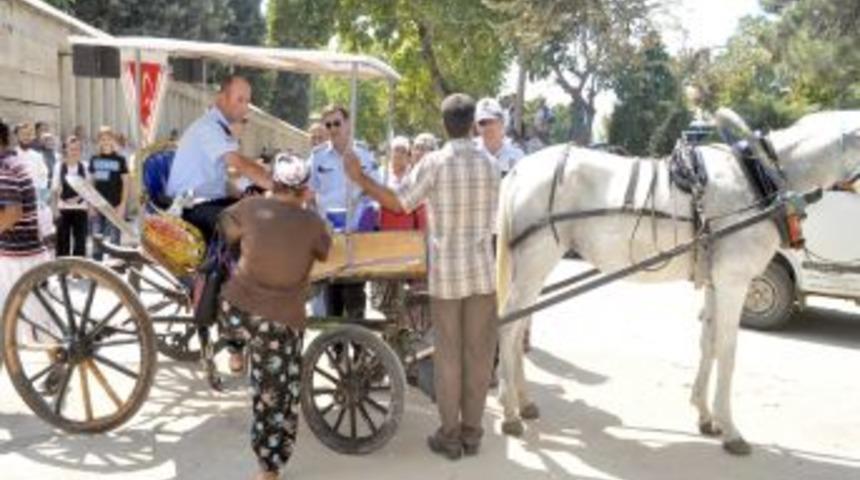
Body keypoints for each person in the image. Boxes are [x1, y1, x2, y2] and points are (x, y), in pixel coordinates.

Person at [342, 93, 500, 460]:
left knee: (449, 357)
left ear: (445, 125)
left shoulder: (435, 163)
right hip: (482, 273)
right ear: (474, 123)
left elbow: (399, 202)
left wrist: (360, 177)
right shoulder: (491, 164)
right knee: (479, 356)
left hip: (446, 276)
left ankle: (449, 436)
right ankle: (472, 433)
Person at [218, 153, 330, 480]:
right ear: (305, 189)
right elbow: (325, 251)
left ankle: (235, 350)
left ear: (274, 182)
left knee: (228, 294)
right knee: (276, 394)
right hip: (281, 321)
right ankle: (269, 468)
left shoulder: (251, 207)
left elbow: (224, 228)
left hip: (239, 310)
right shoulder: (312, 223)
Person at [166, 75, 272, 243]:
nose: (246, 107)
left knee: (262, 212)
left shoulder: (220, 129)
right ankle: (224, 269)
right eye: (240, 100)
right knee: (250, 225)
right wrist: (276, 184)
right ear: (222, 98)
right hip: (190, 206)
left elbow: (217, 179)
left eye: (248, 101)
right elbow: (239, 163)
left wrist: (242, 194)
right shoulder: (209, 128)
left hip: (208, 202)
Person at [309, 104, 380, 319]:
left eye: (337, 123)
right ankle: (336, 349)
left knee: (355, 294)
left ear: (348, 124)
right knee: (333, 296)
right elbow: (309, 195)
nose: (333, 129)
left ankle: (358, 348)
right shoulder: (317, 157)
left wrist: (367, 217)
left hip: (356, 233)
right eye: (328, 124)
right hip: (329, 234)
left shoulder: (364, 156)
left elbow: (378, 191)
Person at [0, 119, 55, 348]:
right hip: (27, 253)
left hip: (17, 257)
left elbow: (12, 212)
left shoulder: (5, 168)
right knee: (39, 319)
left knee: (29, 320)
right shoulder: (15, 163)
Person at [88, 126, 129, 260]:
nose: (105, 141)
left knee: (114, 240)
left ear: (113, 140)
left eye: (108, 138)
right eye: (102, 139)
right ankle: (97, 269)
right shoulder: (94, 159)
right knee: (97, 238)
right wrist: (91, 205)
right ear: (99, 141)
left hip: (115, 204)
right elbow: (91, 183)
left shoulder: (120, 159)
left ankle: (114, 268)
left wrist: (122, 205)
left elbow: (126, 184)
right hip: (98, 204)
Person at [13, 122, 54, 243]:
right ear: (17, 136)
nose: (26, 137)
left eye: (28, 134)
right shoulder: (11, 155)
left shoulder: (37, 156)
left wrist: (42, 199)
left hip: (35, 199)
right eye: (23, 134)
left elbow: (44, 177)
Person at [52, 136, 89, 258]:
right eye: (72, 149)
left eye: (77, 149)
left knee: (80, 242)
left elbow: (89, 189)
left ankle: (78, 271)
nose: (74, 152)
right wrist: (55, 210)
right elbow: (55, 189)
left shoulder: (85, 166)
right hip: (63, 208)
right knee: (62, 242)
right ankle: (63, 271)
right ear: (66, 150)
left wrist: (86, 204)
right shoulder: (59, 166)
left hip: (81, 208)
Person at [475, 97, 525, 177]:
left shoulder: (517, 156)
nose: (487, 127)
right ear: (476, 126)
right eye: (482, 123)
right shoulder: (469, 154)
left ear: (502, 122)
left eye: (491, 121)